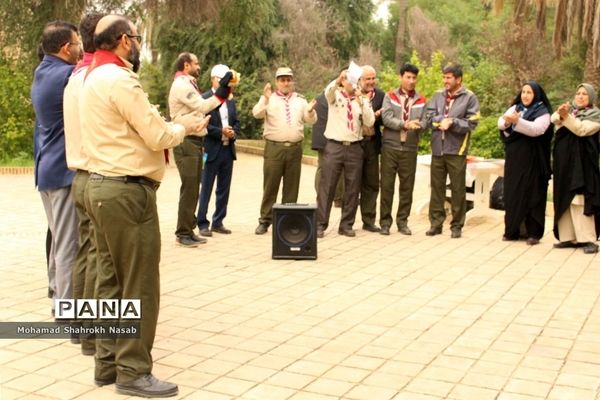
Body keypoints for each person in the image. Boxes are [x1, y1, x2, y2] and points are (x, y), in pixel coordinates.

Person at [80, 14, 211, 398]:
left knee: (110, 281)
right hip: (126, 192)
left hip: (100, 187)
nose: (138, 43)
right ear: (123, 40)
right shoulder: (119, 79)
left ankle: (107, 363)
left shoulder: (90, 77)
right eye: (135, 37)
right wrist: (185, 126)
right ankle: (133, 371)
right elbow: (156, 135)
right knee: (139, 284)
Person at [31, 20, 81, 315]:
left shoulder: (42, 71)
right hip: (62, 171)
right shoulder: (67, 75)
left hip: (46, 169)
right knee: (67, 244)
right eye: (77, 44)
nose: (80, 50)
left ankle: (55, 292)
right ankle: (66, 308)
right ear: (66, 47)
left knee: (57, 237)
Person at [63, 11, 104, 355]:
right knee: (97, 257)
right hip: (95, 174)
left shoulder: (76, 74)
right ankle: (92, 335)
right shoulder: (96, 76)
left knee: (85, 252)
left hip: (79, 172)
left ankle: (81, 329)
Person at [168, 52, 224, 247]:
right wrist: (222, 92)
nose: (199, 67)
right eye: (196, 63)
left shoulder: (188, 83)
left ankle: (188, 230)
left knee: (194, 188)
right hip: (187, 142)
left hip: (195, 142)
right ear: (186, 65)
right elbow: (202, 106)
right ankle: (182, 232)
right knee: (189, 188)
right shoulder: (182, 85)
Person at [253, 67, 317, 235]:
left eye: (288, 79)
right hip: (274, 148)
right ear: (276, 82)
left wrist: (310, 111)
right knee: (270, 185)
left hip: (295, 149)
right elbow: (256, 114)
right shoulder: (269, 98)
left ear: (292, 81)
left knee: (291, 187)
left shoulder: (300, 100)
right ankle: (265, 220)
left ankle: (286, 220)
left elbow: (311, 120)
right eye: (282, 80)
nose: (286, 83)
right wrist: (265, 99)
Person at [316, 66, 375, 238]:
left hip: (355, 146)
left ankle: (346, 225)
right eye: (348, 80)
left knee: (352, 187)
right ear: (343, 81)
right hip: (334, 145)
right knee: (327, 186)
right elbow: (328, 91)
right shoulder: (335, 96)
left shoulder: (361, 100)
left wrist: (362, 101)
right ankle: (320, 224)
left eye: (355, 81)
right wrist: (337, 79)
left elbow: (370, 121)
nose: (352, 83)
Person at [425, 64, 480, 238]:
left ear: (458, 79)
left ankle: (456, 226)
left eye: (448, 77)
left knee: (457, 189)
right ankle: (436, 223)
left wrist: (453, 122)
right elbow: (428, 117)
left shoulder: (470, 97)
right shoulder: (437, 95)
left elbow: (472, 122)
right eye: (444, 77)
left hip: (457, 150)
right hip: (438, 149)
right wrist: (442, 120)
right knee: (436, 188)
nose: (445, 81)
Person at [498, 81, 553, 245]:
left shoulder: (543, 112)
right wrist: (508, 121)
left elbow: (537, 130)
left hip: (534, 162)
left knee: (533, 194)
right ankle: (513, 231)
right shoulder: (516, 108)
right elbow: (501, 123)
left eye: (529, 92)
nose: (525, 95)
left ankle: (533, 233)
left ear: (536, 94)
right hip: (516, 160)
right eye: (523, 92)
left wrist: (517, 122)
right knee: (513, 193)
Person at [551, 83, 600, 254]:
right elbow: (553, 119)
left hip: (583, 165)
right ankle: (568, 237)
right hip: (564, 163)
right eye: (578, 93)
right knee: (564, 196)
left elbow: (581, 130)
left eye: (584, 94)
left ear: (591, 98)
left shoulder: (595, 115)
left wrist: (565, 117)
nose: (580, 96)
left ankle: (588, 239)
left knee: (579, 200)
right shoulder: (570, 112)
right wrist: (562, 113)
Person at [379, 63, 427, 236]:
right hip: (390, 148)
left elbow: (425, 121)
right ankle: (385, 222)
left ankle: (402, 222)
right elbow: (386, 118)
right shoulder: (389, 96)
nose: (411, 81)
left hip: (409, 148)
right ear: (401, 77)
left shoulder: (421, 100)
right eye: (408, 77)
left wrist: (418, 125)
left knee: (407, 187)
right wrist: (405, 124)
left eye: (414, 78)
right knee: (387, 186)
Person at [197, 64, 240, 237]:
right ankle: (202, 222)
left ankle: (218, 221)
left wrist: (232, 132)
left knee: (224, 188)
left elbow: (236, 122)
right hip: (210, 149)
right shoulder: (204, 99)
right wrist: (219, 131)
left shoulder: (230, 100)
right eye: (222, 80)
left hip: (227, 150)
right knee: (206, 186)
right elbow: (203, 125)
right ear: (214, 79)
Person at [358, 65, 385, 232]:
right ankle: (346, 222)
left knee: (372, 183)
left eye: (373, 78)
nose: (371, 82)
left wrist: (379, 118)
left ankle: (369, 220)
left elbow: (384, 121)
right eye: (367, 78)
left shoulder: (381, 96)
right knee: (353, 183)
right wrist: (370, 116)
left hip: (373, 143)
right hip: (355, 143)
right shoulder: (352, 94)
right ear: (360, 80)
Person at [311, 91, 345, 208]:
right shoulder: (332, 97)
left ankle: (335, 197)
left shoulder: (321, 97)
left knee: (324, 168)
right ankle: (330, 197)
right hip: (327, 139)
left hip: (322, 138)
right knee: (323, 169)